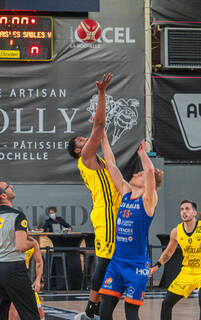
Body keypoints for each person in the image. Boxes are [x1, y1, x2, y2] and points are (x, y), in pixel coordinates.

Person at [67, 73, 122, 318]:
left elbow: (102, 137)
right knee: (105, 259)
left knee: (110, 259)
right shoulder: (86, 158)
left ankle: (98, 304)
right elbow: (98, 127)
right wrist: (101, 93)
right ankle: (91, 307)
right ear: (79, 150)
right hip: (107, 212)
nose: (85, 138)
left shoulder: (96, 158)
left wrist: (103, 134)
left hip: (110, 210)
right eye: (82, 139)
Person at [99, 137, 163, 320]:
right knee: (104, 311)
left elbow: (150, 170)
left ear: (149, 183)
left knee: (131, 312)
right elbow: (111, 164)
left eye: (139, 175)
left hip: (136, 266)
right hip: (117, 262)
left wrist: (142, 153)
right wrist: (103, 135)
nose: (135, 174)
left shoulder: (149, 200)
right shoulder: (126, 194)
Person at [0, 180, 40, 320]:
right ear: (3, 196)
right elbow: (21, 246)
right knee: (30, 313)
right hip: (13, 268)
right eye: (8, 187)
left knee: (0, 314)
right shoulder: (17, 215)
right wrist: (33, 243)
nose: (12, 187)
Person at [150, 200, 201, 320]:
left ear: (194, 213)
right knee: (166, 303)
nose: (184, 212)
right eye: (182, 209)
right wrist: (155, 266)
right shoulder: (176, 231)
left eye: (187, 209)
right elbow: (168, 252)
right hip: (186, 272)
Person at [9, 240, 45, 320]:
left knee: (40, 313)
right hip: (10, 279)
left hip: (24, 280)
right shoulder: (10, 242)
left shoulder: (32, 242)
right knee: (12, 311)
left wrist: (38, 279)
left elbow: (39, 261)